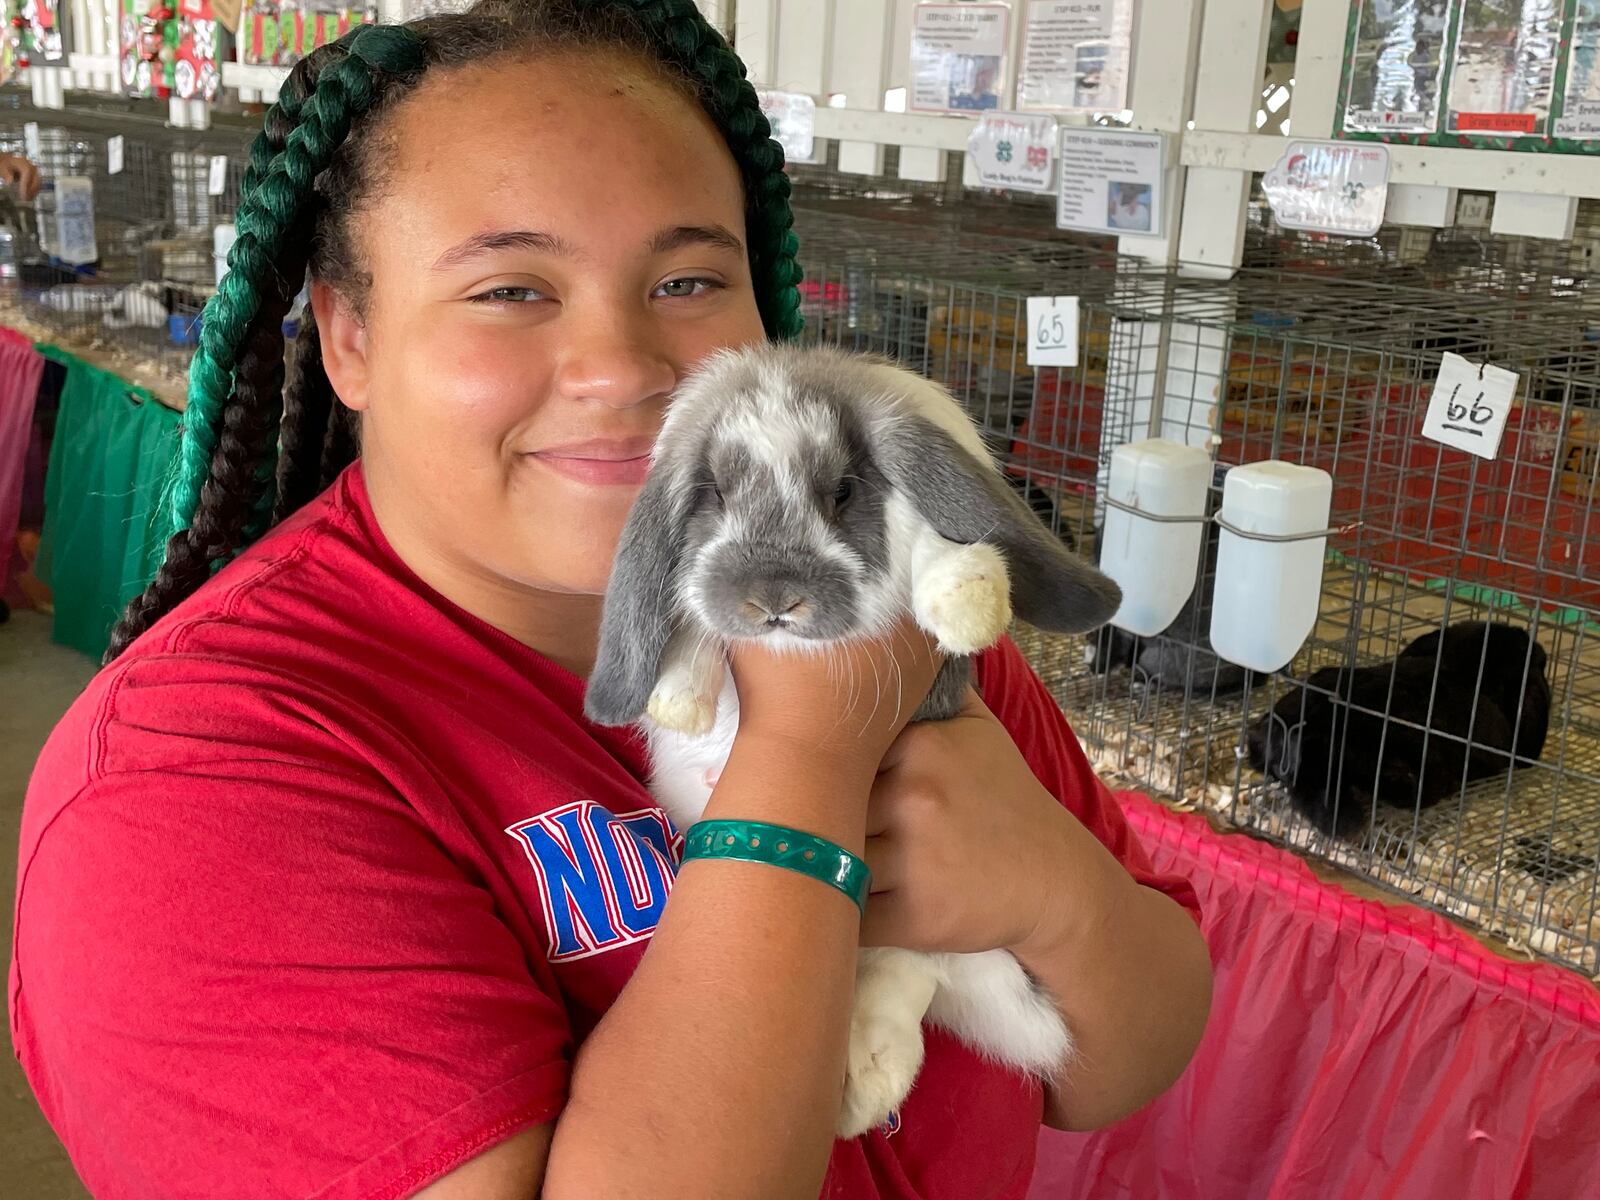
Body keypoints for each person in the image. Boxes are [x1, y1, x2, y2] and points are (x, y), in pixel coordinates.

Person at [9, 4, 1212, 1198]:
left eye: (688, 278)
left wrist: (1057, 893)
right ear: (349, 337)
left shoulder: (878, 597)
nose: (625, 368)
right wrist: (804, 766)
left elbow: (1120, 1063)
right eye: (511, 289)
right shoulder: (191, 785)